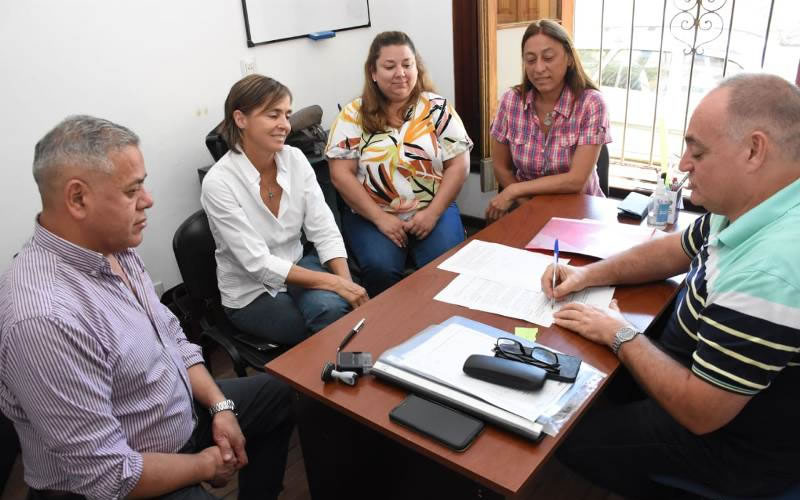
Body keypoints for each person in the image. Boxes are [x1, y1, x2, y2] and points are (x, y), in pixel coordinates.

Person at [0, 116, 293, 500]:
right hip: (121, 480)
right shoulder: (45, 319)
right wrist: (205, 465)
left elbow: (171, 337)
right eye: (132, 189)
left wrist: (220, 407)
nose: (148, 200)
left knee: (280, 395)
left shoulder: (111, 245)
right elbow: (109, 475)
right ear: (78, 199)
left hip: (176, 417)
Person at [541, 74, 800, 498]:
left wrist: (621, 334)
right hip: (695, 368)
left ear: (754, 151)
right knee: (577, 378)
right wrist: (586, 275)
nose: (682, 165)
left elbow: (700, 413)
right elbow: (673, 250)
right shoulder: (752, 203)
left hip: (731, 443)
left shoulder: (770, 271)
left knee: (568, 437)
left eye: (698, 152)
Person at [201, 75, 368, 346]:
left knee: (336, 310)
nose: (285, 125)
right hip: (251, 293)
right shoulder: (218, 183)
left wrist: (347, 285)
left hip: (298, 267)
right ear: (240, 119)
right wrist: (336, 285)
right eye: (273, 115)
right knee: (324, 329)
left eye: (287, 115)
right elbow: (258, 264)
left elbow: (324, 229)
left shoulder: (295, 159)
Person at [326, 31, 473, 298]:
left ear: (417, 67)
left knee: (446, 265)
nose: (400, 73)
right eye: (389, 66)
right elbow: (340, 175)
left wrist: (432, 214)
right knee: (380, 268)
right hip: (371, 215)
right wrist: (380, 218)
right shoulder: (352, 114)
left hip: (433, 207)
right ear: (373, 72)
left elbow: (459, 165)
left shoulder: (437, 108)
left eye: (407, 64)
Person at [486, 19, 611, 222]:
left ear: (569, 58)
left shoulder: (591, 103)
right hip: (525, 207)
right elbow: (501, 167)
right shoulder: (511, 101)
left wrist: (515, 190)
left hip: (579, 212)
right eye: (530, 60)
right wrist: (529, 206)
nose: (539, 68)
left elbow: (576, 180)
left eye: (548, 58)